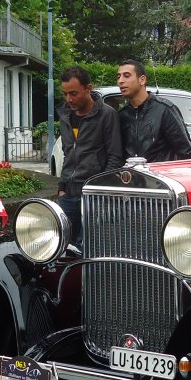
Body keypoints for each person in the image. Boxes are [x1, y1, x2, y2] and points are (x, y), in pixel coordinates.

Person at [57, 66, 124, 245]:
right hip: (68, 195)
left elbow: (115, 157)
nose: (68, 99)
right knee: (58, 244)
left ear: (88, 88)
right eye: (65, 94)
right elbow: (67, 153)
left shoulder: (107, 115)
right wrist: (62, 187)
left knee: (88, 248)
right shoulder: (64, 115)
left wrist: (99, 190)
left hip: (94, 198)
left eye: (73, 93)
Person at [117, 60, 191, 162]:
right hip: (130, 176)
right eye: (118, 77)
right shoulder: (122, 115)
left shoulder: (164, 110)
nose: (120, 81)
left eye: (127, 76)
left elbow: (186, 153)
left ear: (142, 80)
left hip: (158, 175)